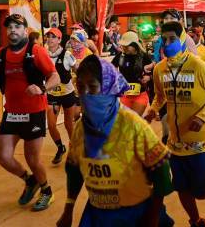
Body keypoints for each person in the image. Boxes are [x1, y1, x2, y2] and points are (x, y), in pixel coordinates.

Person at [57, 55, 173, 227]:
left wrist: (153, 216)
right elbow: (74, 170)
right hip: (98, 213)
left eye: (93, 87)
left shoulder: (134, 126)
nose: (85, 94)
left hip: (135, 212)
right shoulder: (81, 129)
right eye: (81, 87)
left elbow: (161, 173)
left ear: (109, 88)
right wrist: (68, 208)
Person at [0, 14, 61, 211]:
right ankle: (29, 181)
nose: (12, 29)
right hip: (12, 113)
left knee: (33, 159)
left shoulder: (36, 51)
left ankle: (46, 191)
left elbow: (54, 76)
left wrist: (42, 89)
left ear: (25, 30)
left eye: (17, 26)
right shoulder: (0, 55)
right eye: (9, 27)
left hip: (34, 112)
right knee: (3, 158)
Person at [145, 21, 205, 227]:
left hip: (199, 143)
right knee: (181, 187)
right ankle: (195, 219)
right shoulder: (159, 69)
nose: (167, 43)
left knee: (201, 192)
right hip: (175, 143)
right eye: (164, 40)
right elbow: (159, 96)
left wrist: (202, 117)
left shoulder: (198, 65)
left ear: (182, 39)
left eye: (172, 39)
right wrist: (153, 109)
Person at [45, 28, 79, 166]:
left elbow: (76, 68)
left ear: (59, 40)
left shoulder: (67, 55)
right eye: (48, 37)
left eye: (53, 37)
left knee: (68, 124)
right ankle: (60, 147)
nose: (50, 39)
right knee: (51, 125)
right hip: (52, 94)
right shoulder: (43, 55)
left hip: (67, 94)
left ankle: (75, 150)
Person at [112, 31, 154, 117]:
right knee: (125, 122)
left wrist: (149, 77)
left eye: (127, 45)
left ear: (135, 45)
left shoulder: (144, 57)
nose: (124, 47)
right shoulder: (120, 56)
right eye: (123, 45)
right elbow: (111, 70)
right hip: (124, 96)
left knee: (134, 120)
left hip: (140, 95)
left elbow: (154, 73)